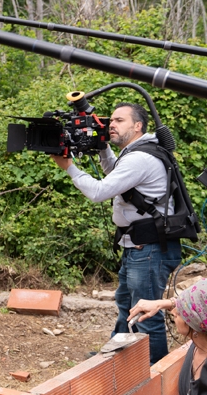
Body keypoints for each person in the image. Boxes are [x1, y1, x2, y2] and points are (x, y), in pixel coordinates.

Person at [51, 103, 182, 364]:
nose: (112, 124)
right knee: (126, 304)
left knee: (146, 314)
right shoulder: (136, 152)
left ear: (137, 126)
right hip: (138, 246)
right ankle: (115, 358)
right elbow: (117, 174)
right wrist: (102, 146)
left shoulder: (139, 158)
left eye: (119, 120)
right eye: (110, 120)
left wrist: (69, 167)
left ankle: (153, 372)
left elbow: (100, 192)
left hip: (148, 249)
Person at [118, 280, 207, 395]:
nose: (174, 311)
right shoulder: (200, 340)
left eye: (182, 310)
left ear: (196, 323)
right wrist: (162, 303)